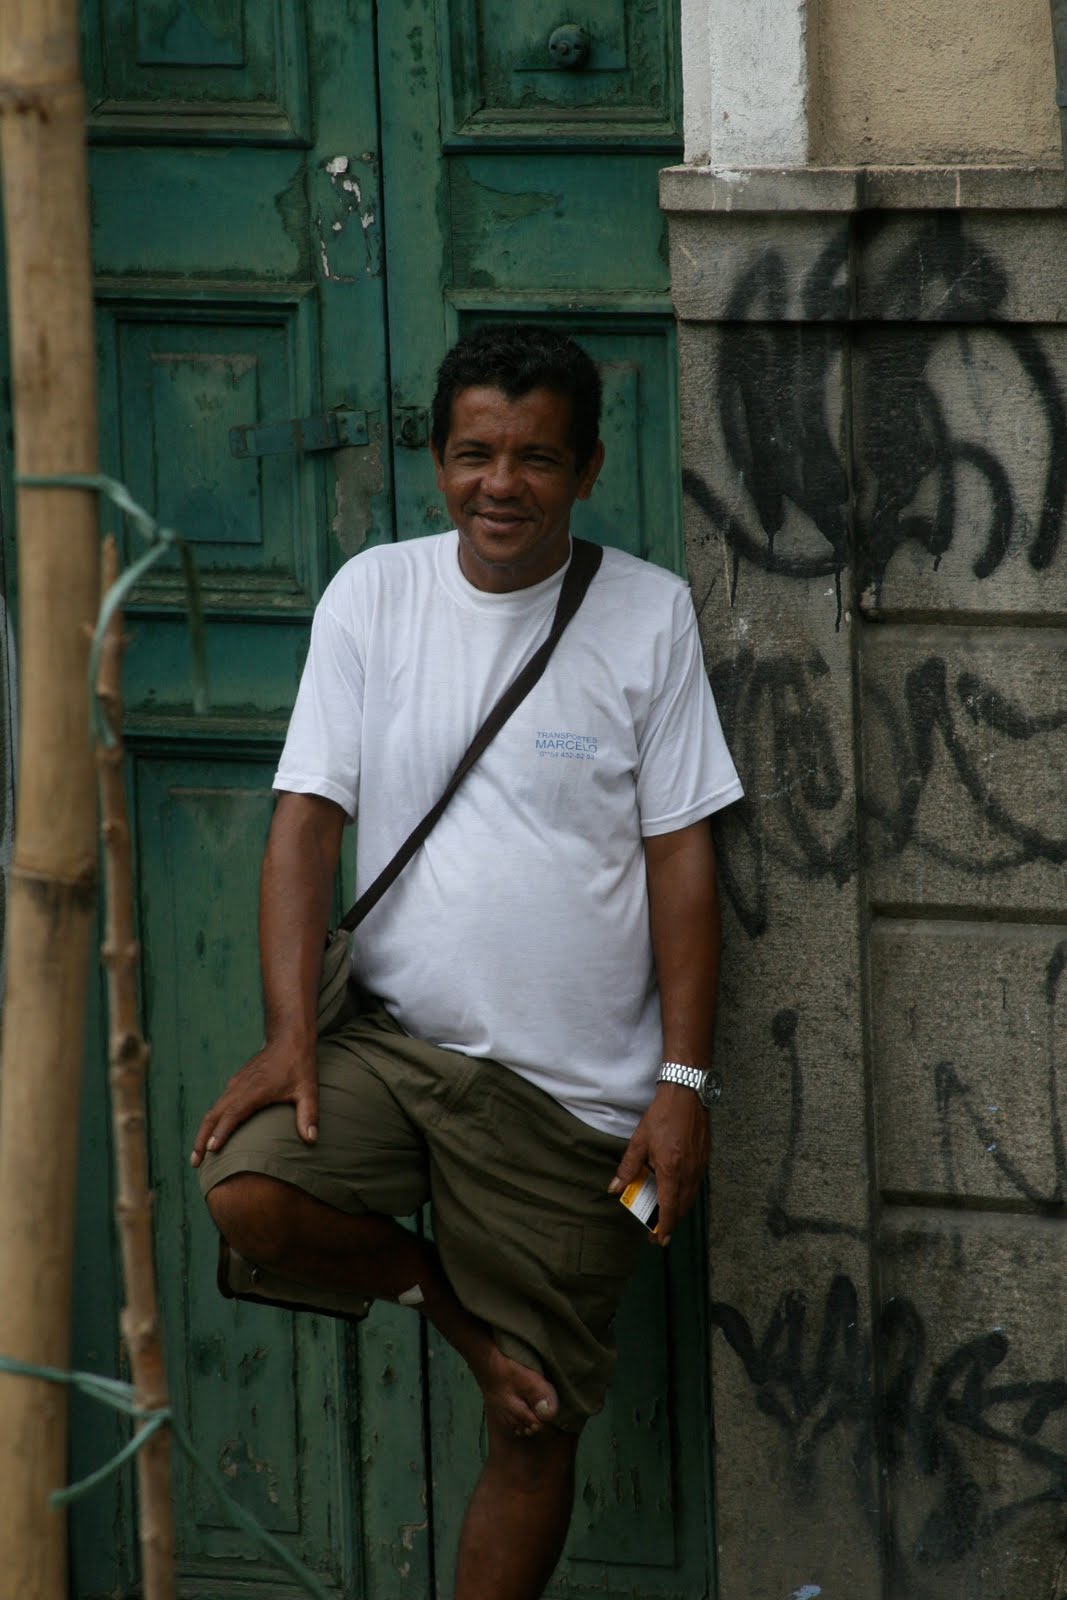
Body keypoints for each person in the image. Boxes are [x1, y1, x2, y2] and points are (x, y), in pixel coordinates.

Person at [191, 323, 742, 1600]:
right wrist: (288, 1035)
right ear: (438, 461)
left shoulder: (645, 615)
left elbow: (681, 863)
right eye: (474, 454)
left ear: (588, 466)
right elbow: (303, 823)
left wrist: (684, 1084)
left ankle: (495, 1356)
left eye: (536, 458)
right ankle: (452, 1313)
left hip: (579, 1109)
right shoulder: (371, 594)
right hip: (395, 1050)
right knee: (246, 1188)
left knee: (534, 1418)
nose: (502, 484)